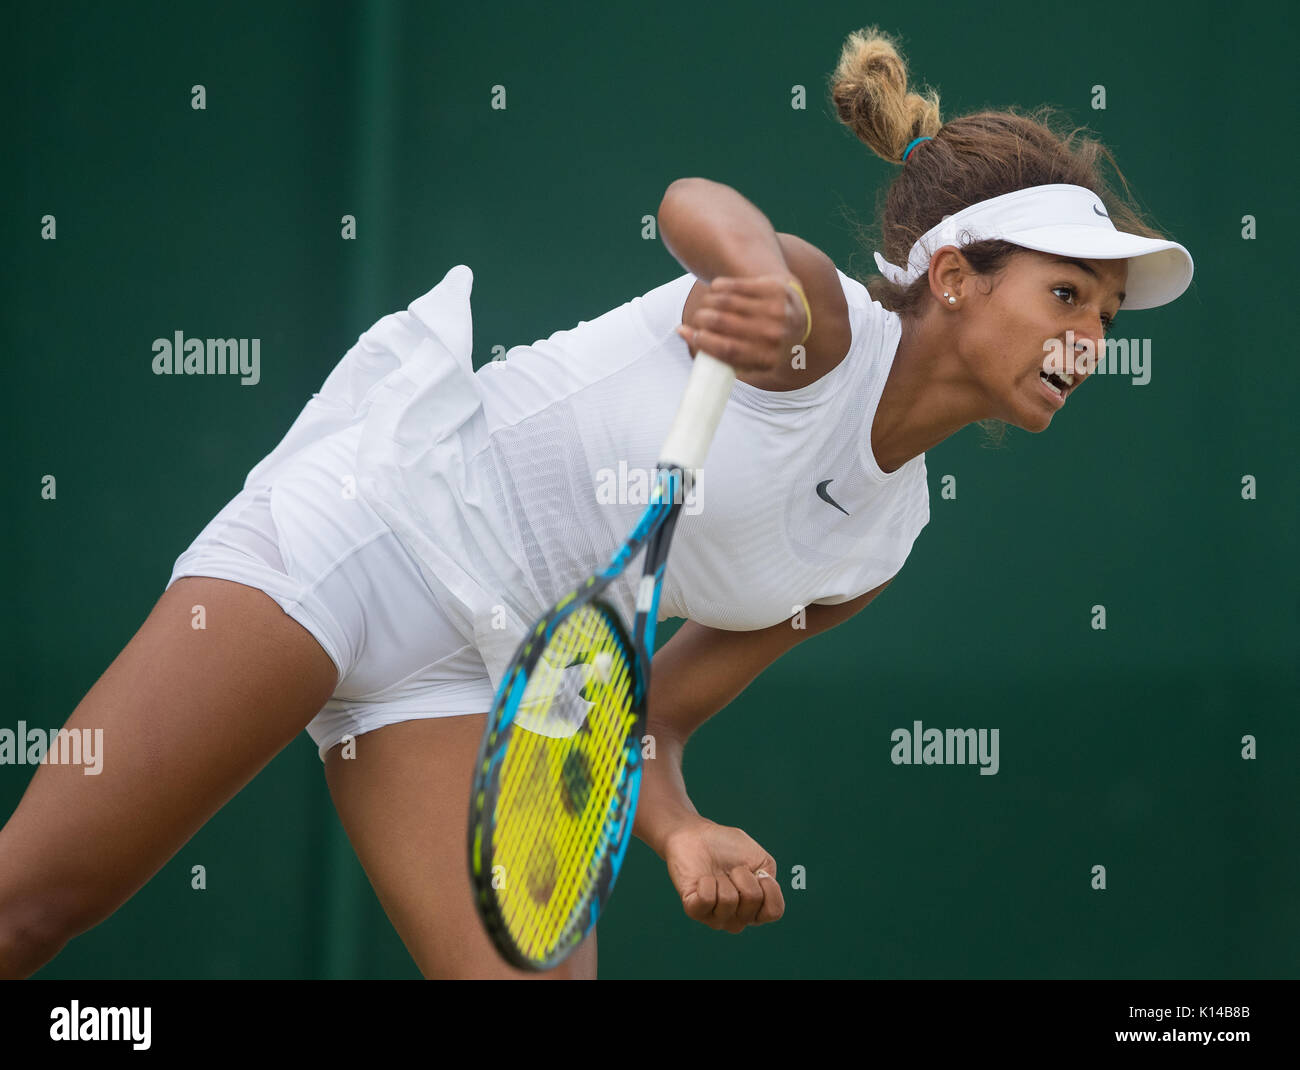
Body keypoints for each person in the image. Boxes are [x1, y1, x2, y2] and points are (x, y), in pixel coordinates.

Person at [0, 26, 1192, 980]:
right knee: (31, 907)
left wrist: (681, 832)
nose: (1088, 338)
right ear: (950, 276)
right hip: (370, 533)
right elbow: (695, 203)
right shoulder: (821, 321)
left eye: (1102, 316)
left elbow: (649, 723)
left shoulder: (879, 541)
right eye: (1065, 295)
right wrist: (749, 281)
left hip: (497, 685)